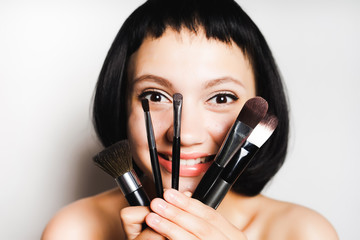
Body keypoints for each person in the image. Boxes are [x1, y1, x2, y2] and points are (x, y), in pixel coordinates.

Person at [42, 0, 339, 239]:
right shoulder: (75, 229)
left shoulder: (303, 232)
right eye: (155, 96)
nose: (184, 135)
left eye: (221, 98)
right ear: (121, 105)